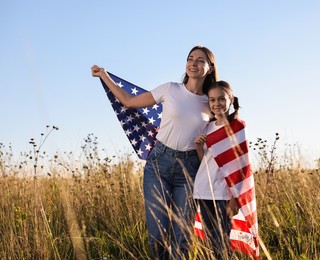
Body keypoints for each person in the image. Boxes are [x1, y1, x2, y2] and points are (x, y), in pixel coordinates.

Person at [91, 45, 218, 259]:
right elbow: (129, 101)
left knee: (182, 238)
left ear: (210, 67)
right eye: (190, 58)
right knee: (157, 234)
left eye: (199, 60)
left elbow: (224, 130)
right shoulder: (170, 89)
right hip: (159, 163)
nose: (193, 63)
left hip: (189, 171)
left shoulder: (211, 103)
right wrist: (104, 75)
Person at [193, 80, 241, 259]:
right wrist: (199, 148)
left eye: (221, 99)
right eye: (212, 100)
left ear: (230, 100)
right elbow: (205, 162)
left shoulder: (237, 127)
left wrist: (234, 199)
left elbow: (240, 166)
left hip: (223, 193)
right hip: (203, 190)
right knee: (211, 241)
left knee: (221, 241)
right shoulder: (208, 127)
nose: (216, 104)